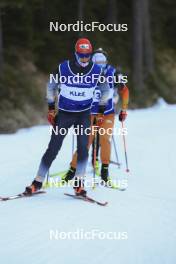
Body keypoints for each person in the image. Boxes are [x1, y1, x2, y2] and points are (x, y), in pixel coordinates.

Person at [24, 38, 102, 197]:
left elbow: (106, 90)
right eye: (82, 56)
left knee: (83, 149)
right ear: (76, 54)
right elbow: (51, 86)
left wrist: (100, 111)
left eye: (88, 55)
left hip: (83, 115)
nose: (85, 59)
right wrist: (51, 109)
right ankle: (37, 181)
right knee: (53, 148)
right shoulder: (63, 68)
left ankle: (79, 184)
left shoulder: (97, 70)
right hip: (65, 114)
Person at [64, 48, 129, 183]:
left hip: (107, 114)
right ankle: (72, 170)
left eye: (102, 62)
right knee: (85, 143)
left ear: (106, 62)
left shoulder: (114, 73)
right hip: (89, 114)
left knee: (105, 139)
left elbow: (125, 90)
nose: (100, 66)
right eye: (97, 63)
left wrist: (123, 109)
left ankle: (104, 171)